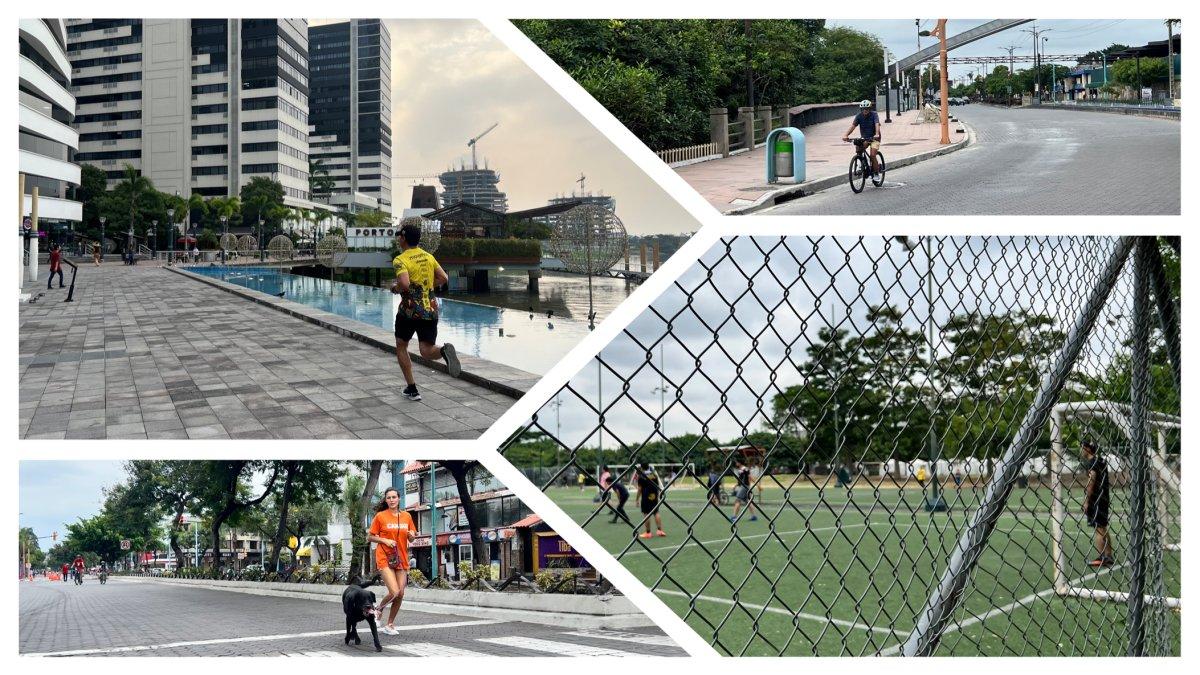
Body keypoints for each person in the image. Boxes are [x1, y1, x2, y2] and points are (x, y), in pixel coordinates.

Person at [390, 223, 461, 401]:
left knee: (401, 345)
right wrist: (427, 287)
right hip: (430, 309)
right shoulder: (428, 257)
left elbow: (404, 284)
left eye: (400, 236)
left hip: (409, 311)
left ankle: (412, 389)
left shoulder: (400, 260)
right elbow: (443, 278)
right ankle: (443, 351)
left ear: (403, 238)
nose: (399, 239)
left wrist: (395, 288)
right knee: (426, 349)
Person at [367, 487, 417, 635]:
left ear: (399, 499)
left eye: (394, 497)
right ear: (385, 500)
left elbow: (412, 537)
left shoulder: (407, 516)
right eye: (388, 498)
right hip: (384, 557)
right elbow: (370, 537)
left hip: (401, 558)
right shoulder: (380, 516)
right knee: (394, 591)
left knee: (401, 593)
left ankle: (389, 624)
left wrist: (412, 535)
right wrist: (384, 540)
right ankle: (378, 610)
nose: (391, 500)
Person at [1081, 440, 1114, 567]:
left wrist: (1086, 501)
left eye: (1083, 448)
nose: (1081, 451)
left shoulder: (1092, 463)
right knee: (1103, 527)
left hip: (1096, 500)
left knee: (1098, 529)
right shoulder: (1101, 460)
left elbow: (1092, 481)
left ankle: (1102, 557)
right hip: (1104, 498)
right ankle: (1108, 555)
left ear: (1087, 449)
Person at [842, 99, 882, 176]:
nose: (865, 110)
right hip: (865, 138)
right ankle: (863, 164)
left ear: (870, 109)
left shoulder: (874, 114)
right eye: (863, 109)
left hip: (875, 138)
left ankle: (876, 173)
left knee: (873, 155)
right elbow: (853, 126)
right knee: (858, 148)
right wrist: (846, 135)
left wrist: (877, 134)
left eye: (867, 109)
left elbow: (877, 124)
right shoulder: (859, 116)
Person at [634, 462, 667, 539]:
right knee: (656, 512)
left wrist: (637, 499)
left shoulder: (641, 476)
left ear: (641, 468)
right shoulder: (654, 475)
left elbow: (639, 489)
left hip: (646, 496)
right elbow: (657, 485)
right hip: (654, 496)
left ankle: (648, 532)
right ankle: (660, 530)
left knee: (646, 513)